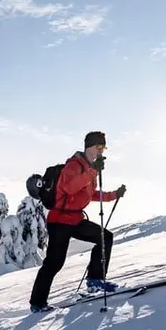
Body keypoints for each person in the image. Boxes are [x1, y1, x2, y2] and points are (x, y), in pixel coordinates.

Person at [29, 130, 126, 312]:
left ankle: (95, 281)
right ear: (89, 147)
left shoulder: (90, 168)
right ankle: (37, 303)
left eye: (103, 148)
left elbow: (89, 194)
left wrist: (114, 195)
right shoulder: (74, 165)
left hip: (75, 219)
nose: (101, 151)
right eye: (98, 147)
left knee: (105, 237)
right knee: (54, 262)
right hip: (59, 220)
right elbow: (69, 187)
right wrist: (92, 171)